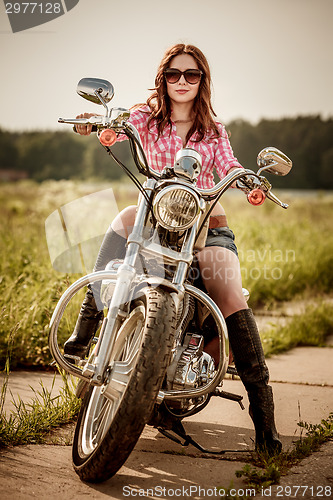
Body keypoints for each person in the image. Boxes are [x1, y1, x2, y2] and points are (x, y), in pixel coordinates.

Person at [64, 43, 282, 455]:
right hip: (155, 221)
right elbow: (120, 124)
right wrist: (94, 123)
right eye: (173, 74)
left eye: (192, 75)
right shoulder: (145, 116)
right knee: (127, 214)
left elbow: (231, 165)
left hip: (206, 227)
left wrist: (249, 179)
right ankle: (83, 334)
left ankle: (264, 417)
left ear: (203, 81)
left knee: (231, 294)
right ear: (162, 79)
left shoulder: (214, 131)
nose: (182, 82)